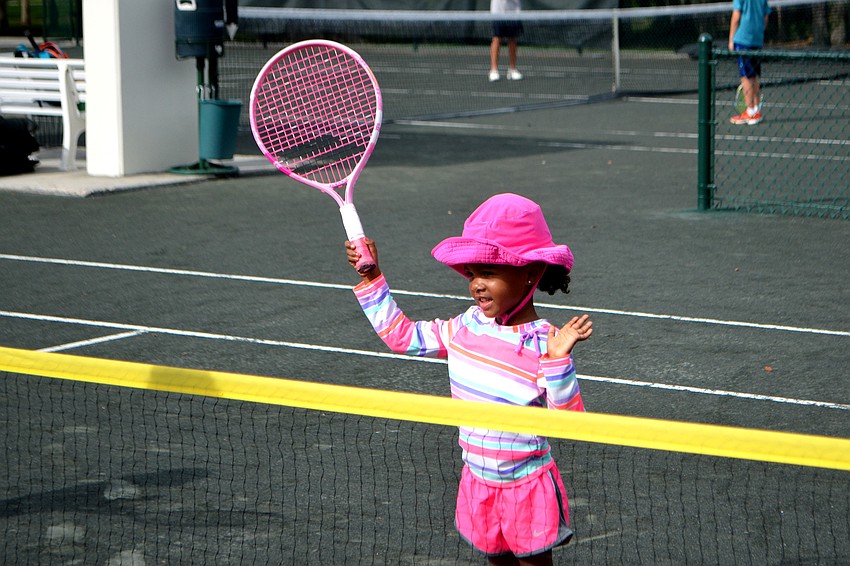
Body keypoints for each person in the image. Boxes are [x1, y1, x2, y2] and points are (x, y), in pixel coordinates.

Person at [345, 193, 592, 565]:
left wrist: (559, 361)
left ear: (530, 272)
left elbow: (570, 422)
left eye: (489, 273)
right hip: (477, 481)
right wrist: (373, 277)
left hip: (526, 486)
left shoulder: (546, 342)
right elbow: (402, 337)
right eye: (473, 273)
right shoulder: (465, 326)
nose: (476, 283)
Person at [728, 0, 771, 125]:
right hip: (757, 41)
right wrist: (759, 33)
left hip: (743, 41)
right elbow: (765, 16)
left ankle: (751, 111)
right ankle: (755, 109)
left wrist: (731, 39)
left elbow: (736, 16)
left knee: (746, 76)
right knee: (754, 75)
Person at [490, 0, 524, 82]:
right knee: (497, 38)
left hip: (514, 11)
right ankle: (494, 70)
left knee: (512, 39)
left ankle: (512, 70)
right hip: (498, 11)